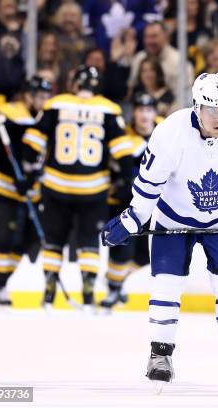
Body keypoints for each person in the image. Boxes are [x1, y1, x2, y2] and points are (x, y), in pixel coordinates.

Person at [100, 72, 218, 395]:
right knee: (166, 285)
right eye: (213, 109)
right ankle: (160, 355)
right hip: (172, 219)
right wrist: (132, 220)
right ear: (196, 106)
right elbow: (147, 191)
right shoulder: (169, 133)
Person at [21, 65, 133, 312]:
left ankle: (49, 293)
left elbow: (31, 145)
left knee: (53, 242)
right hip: (93, 190)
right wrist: (128, 180)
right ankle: (88, 293)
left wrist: (30, 169)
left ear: (75, 84)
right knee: (89, 243)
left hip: (55, 186)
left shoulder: (56, 104)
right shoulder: (109, 108)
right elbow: (123, 153)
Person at [0, 76, 53, 306]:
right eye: (40, 97)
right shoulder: (9, 113)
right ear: (28, 95)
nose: (43, 101)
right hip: (3, 186)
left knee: (28, 241)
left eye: (46, 97)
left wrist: (33, 178)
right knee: (3, 239)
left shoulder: (47, 119)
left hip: (30, 190)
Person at [99, 92, 162, 312]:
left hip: (156, 207)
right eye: (140, 110)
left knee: (145, 255)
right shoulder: (123, 137)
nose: (145, 115)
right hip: (124, 202)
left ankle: (119, 280)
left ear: (155, 112)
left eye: (149, 110)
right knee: (121, 249)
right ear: (133, 113)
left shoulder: (165, 133)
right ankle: (113, 289)